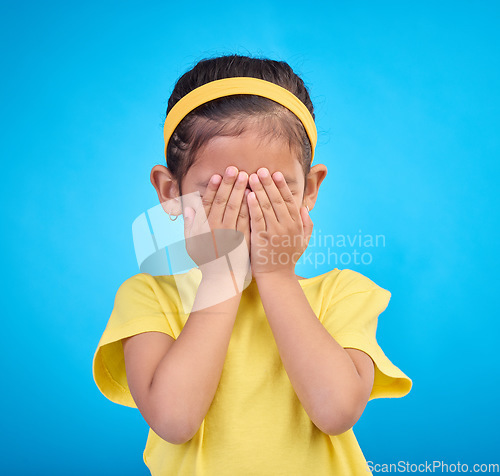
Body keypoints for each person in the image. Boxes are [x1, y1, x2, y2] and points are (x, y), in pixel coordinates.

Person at [92, 54, 412, 475]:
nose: (244, 212)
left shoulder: (344, 293)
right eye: (221, 191)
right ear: (171, 191)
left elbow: (336, 412)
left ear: (309, 190)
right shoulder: (149, 297)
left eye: (271, 191)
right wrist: (220, 278)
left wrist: (276, 274)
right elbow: (173, 420)